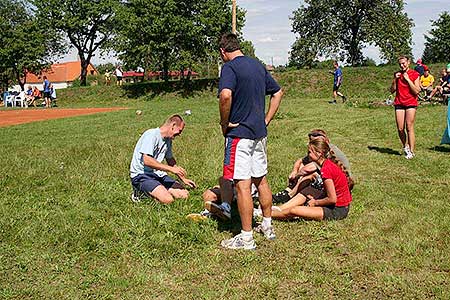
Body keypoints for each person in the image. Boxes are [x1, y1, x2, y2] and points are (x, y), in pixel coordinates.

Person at [218, 33, 283, 250]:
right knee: (261, 180)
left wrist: (224, 123)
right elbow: (278, 92)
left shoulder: (229, 68)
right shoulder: (257, 65)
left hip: (240, 136)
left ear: (222, 52)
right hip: (259, 133)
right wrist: (266, 119)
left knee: (242, 185)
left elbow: (225, 96)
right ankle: (267, 225)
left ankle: (246, 238)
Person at [263, 139, 352, 221]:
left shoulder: (326, 169)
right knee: (308, 190)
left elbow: (332, 199)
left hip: (337, 210)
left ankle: (266, 214)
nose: (307, 154)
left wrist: (315, 202)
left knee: (295, 211)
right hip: (336, 204)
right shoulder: (327, 164)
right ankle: (281, 208)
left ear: (319, 153)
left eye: (309, 152)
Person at [129, 114, 196, 204]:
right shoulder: (152, 135)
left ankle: (158, 190)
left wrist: (183, 178)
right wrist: (171, 169)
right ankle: (139, 193)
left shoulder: (168, 140)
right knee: (168, 200)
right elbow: (147, 160)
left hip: (158, 175)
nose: (179, 134)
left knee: (184, 195)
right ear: (173, 126)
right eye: (179, 131)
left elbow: (170, 160)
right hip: (142, 175)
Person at [272, 129, 352, 204]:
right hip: (335, 181)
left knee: (310, 176)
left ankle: (289, 196)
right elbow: (300, 161)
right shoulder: (321, 150)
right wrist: (294, 170)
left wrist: (296, 176)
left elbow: (307, 169)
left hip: (339, 186)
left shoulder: (325, 155)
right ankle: (288, 192)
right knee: (303, 168)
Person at [390, 55, 421, 159]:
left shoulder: (415, 74)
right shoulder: (397, 74)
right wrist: (395, 79)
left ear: (408, 63)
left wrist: (408, 80)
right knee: (400, 128)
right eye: (400, 64)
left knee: (409, 126)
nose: (402, 65)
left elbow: (417, 90)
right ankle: (405, 146)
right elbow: (392, 90)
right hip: (399, 102)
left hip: (411, 103)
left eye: (403, 63)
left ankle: (412, 151)